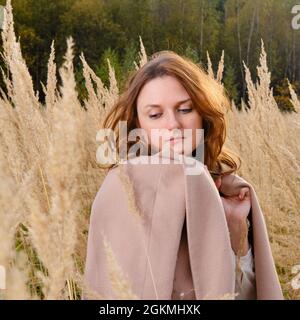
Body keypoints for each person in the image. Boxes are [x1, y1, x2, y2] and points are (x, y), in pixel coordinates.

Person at [84, 51, 283, 300]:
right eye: (155, 115)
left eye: (185, 109)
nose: (173, 125)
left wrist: (236, 231)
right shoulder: (120, 191)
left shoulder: (229, 188)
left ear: (202, 113)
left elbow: (244, 295)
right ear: (138, 124)